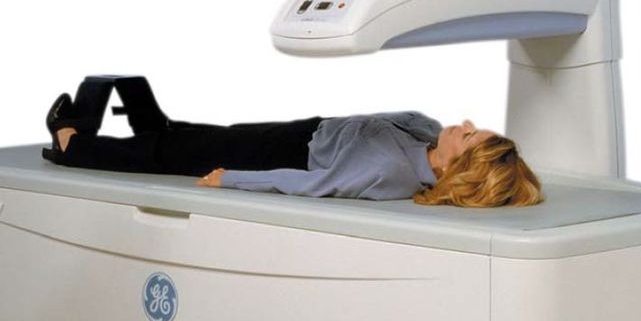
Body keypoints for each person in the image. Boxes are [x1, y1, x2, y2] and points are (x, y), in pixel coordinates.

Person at [43, 90, 543, 208]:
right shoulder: (426, 138)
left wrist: (230, 178)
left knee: (179, 154)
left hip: (285, 154)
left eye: (469, 136)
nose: (466, 125)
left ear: (456, 165)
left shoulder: (390, 168)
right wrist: (437, 134)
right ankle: (147, 125)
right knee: (196, 135)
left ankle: (74, 146)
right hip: (308, 131)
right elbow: (406, 117)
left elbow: (312, 184)